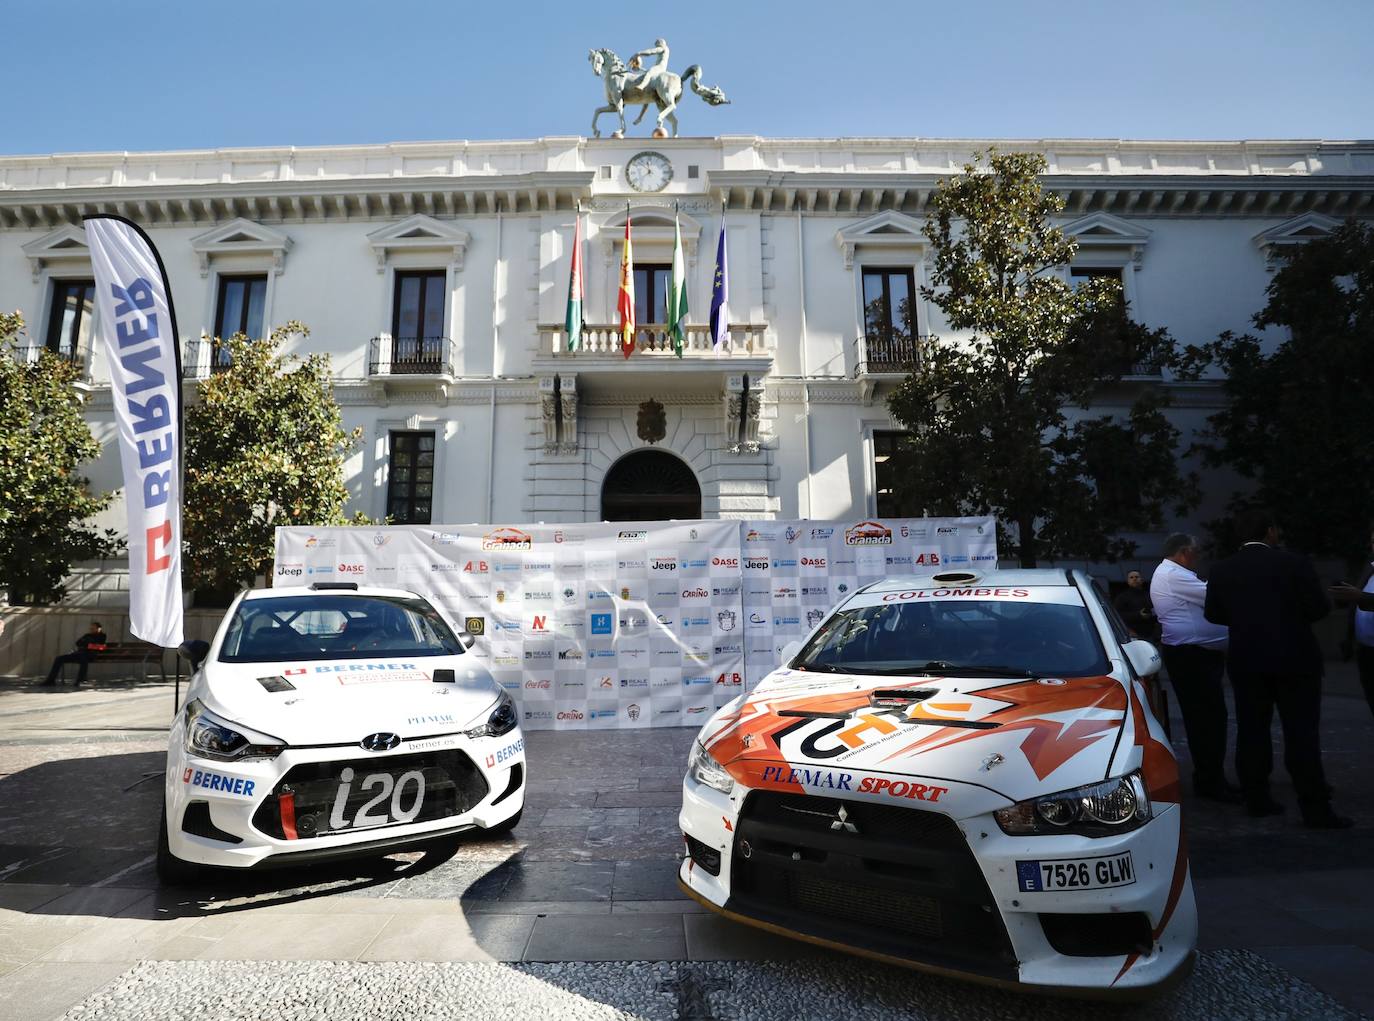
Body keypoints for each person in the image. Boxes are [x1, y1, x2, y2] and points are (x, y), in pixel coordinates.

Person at [1204, 509, 1352, 828]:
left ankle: (1257, 798)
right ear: (1271, 532)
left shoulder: (1222, 570)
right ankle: (1314, 806)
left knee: (1251, 730)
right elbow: (1317, 608)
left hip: (1247, 659)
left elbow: (1213, 614)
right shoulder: (1294, 563)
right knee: (1301, 734)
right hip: (1295, 658)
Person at [1149, 535, 1238, 802]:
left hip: (1194, 655)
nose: (1197, 557)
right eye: (1195, 552)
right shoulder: (1174, 574)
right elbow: (1216, 596)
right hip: (1192, 657)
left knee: (1207, 720)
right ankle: (1210, 782)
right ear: (1185, 551)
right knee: (1207, 721)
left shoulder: (1171, 573)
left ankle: (1212, 778)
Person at [1330, 524, 1374, 717]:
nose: (1373, 546)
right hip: (1366, 650)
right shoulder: (1370, 567)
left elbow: (1363, 597)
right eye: (1372, 541)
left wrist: (1359, 597)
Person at [43, 621, 107, 687]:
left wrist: (88, 645)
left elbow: (101, 647)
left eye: (93, 628)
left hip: (91, 655)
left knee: (83, 658)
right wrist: (89, 645)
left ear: (99, 629)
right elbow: (78, 643)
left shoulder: (102, 636)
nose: (91, 630)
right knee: (59, 658)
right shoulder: (87, 635)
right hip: (79, 654)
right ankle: (50, 681)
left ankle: (80, 681)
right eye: (91, 628)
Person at [1114, 569, 1160, 642]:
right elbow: (1117, 615)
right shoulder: (1122, 597)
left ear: (1141, 579)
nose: (1134, 579)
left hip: (1150, 634)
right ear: (1128, 581)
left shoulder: (1150, 595)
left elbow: (1157, 610)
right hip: (1132, 635)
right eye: (1131, 577)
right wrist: (1138, 615)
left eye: (1137, 577)